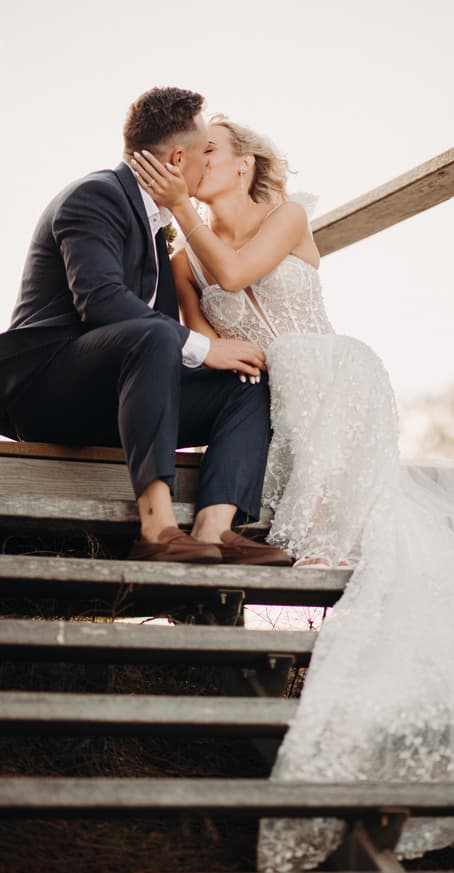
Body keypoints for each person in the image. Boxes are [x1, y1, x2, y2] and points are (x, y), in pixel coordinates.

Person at [131, 118, 454, 872]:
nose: (195, 160)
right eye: (190, 153)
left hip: (333, 375)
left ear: (245, 159)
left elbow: (237, 274)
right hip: (262, 390)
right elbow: (202, 329)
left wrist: (180, 208)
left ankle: (331, 518)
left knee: (323, 367)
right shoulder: (183, 256)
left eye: (210, 149)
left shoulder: (286, 216)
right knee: (266, 390)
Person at [0, 89, 290, 567]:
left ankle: (214, 530)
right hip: (46, 392)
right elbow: (101, 302)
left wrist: (217, 351)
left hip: (118, 401)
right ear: (179, 157)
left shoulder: (155, 223)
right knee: (155, 333)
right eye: (206, 151)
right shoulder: (95, 196)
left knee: (246, 381)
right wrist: (201, 346)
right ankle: (157, 530)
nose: (207, 162)